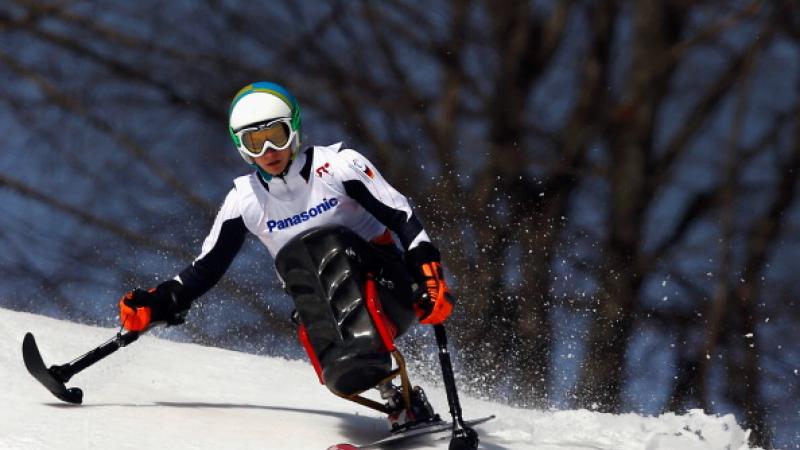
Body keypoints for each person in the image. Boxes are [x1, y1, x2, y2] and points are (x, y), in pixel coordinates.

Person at [117, 81, 455, 430]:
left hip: (389, 288)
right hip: (325, 309)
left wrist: (428, 275)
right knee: (300, 265)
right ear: (241, 148)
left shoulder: (338, 167)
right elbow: (206, 268)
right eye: (254, 142)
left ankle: (390, 384)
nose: (268, 150)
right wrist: (157, 303)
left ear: (293, 129)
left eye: (276, 135)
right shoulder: (245, 200)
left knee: (326, 243)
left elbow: (402, 217)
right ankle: (398, 400)